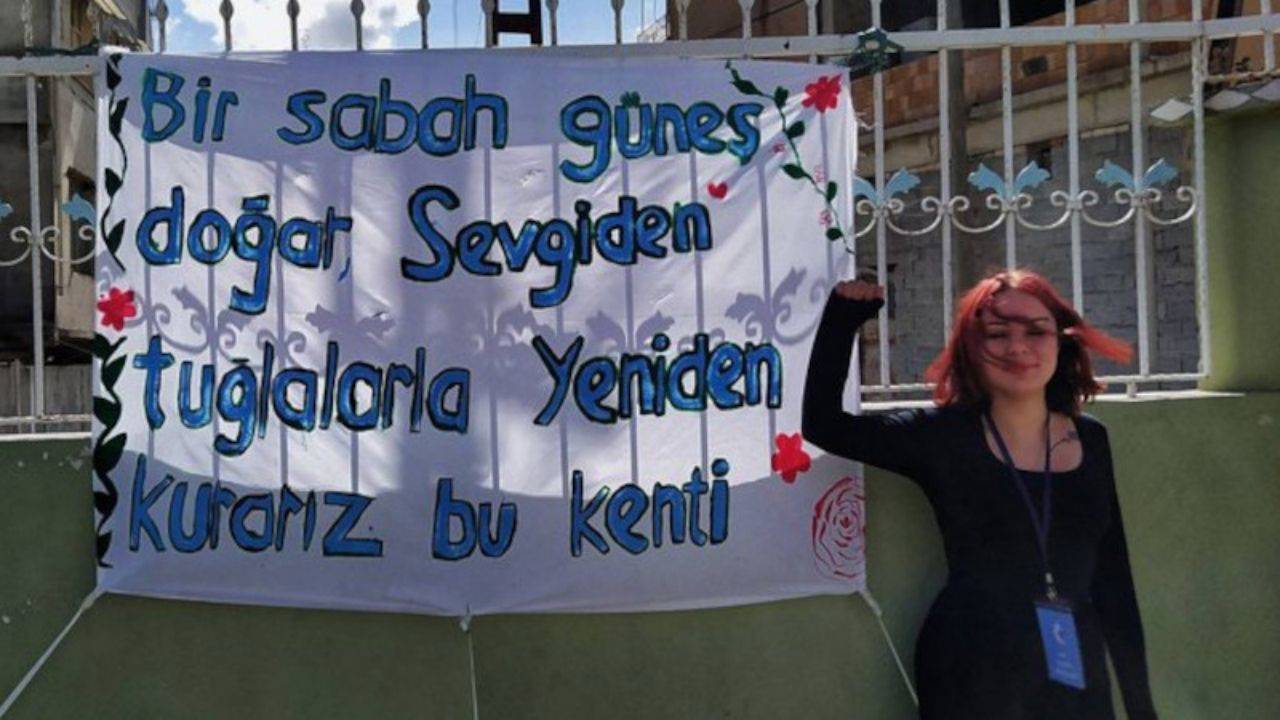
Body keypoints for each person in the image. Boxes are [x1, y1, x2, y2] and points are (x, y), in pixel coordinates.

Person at [802, 269, 1157, 720]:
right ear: (971, 347)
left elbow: (1113, 580)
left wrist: (1141, 707)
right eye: (997, 334)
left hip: (1072, 661)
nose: (1018, 347)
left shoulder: (1091, 439)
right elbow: (824, 425)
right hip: (972, 664)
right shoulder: (942, 436)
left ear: (1061, 341)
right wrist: (843, 319)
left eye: (1035, 331)